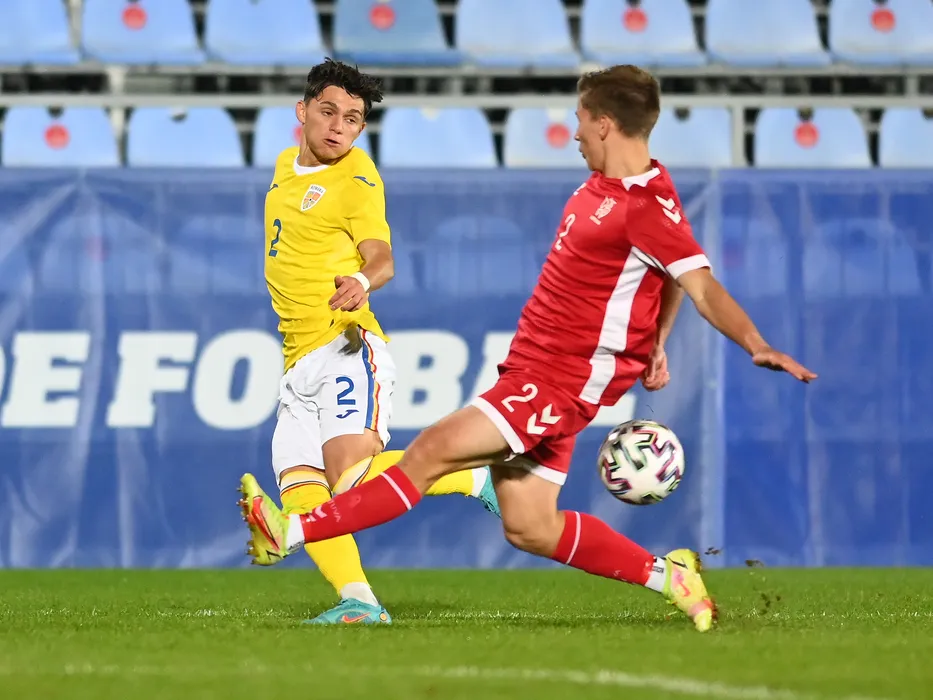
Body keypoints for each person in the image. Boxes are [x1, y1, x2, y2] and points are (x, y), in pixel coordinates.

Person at [240, 64, 817, 632]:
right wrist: (658, 339)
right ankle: (670, 577)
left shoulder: (644, 204)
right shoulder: (606, 187)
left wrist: (755, 343)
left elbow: (701, 284)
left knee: (432, 451)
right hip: (532, 366)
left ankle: (291, 531)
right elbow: (670, 270)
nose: (575, 133)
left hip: (558, 381)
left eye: (581, 120)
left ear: (605, 124)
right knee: (530, 527)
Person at [253, 58, 500, 626]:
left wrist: (362, 282)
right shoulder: (286, 167)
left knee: (348, 481)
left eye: (352, 119)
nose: (339, 126)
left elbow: (382, 258)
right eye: (328, 112)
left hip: (345, 348)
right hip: (296, 363)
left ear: (361, 130)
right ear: (302, 111)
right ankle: (359, 601)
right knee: (302, 495)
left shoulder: (357, 178)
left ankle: (475, 474)